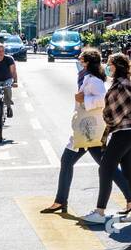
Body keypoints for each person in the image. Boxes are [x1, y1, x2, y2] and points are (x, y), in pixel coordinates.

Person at [82, 52, 131, 226]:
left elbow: (111, 114)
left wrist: (106, 121)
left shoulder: (119, 86)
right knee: (130, 172)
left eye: (110, 65)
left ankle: (100, 212)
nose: (108, 68)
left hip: (123, 132)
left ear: (116, 67)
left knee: (105, 168)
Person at [41, 48, 107, 214]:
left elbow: (102, 100)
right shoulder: (87, 77)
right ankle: (60, 201)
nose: (79, 63)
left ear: (88, 63)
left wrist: (83, 99)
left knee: (106, 166)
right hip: (85, 130)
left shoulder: (94, 80)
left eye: (82, 61)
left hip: (89, 130)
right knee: (69, 162)